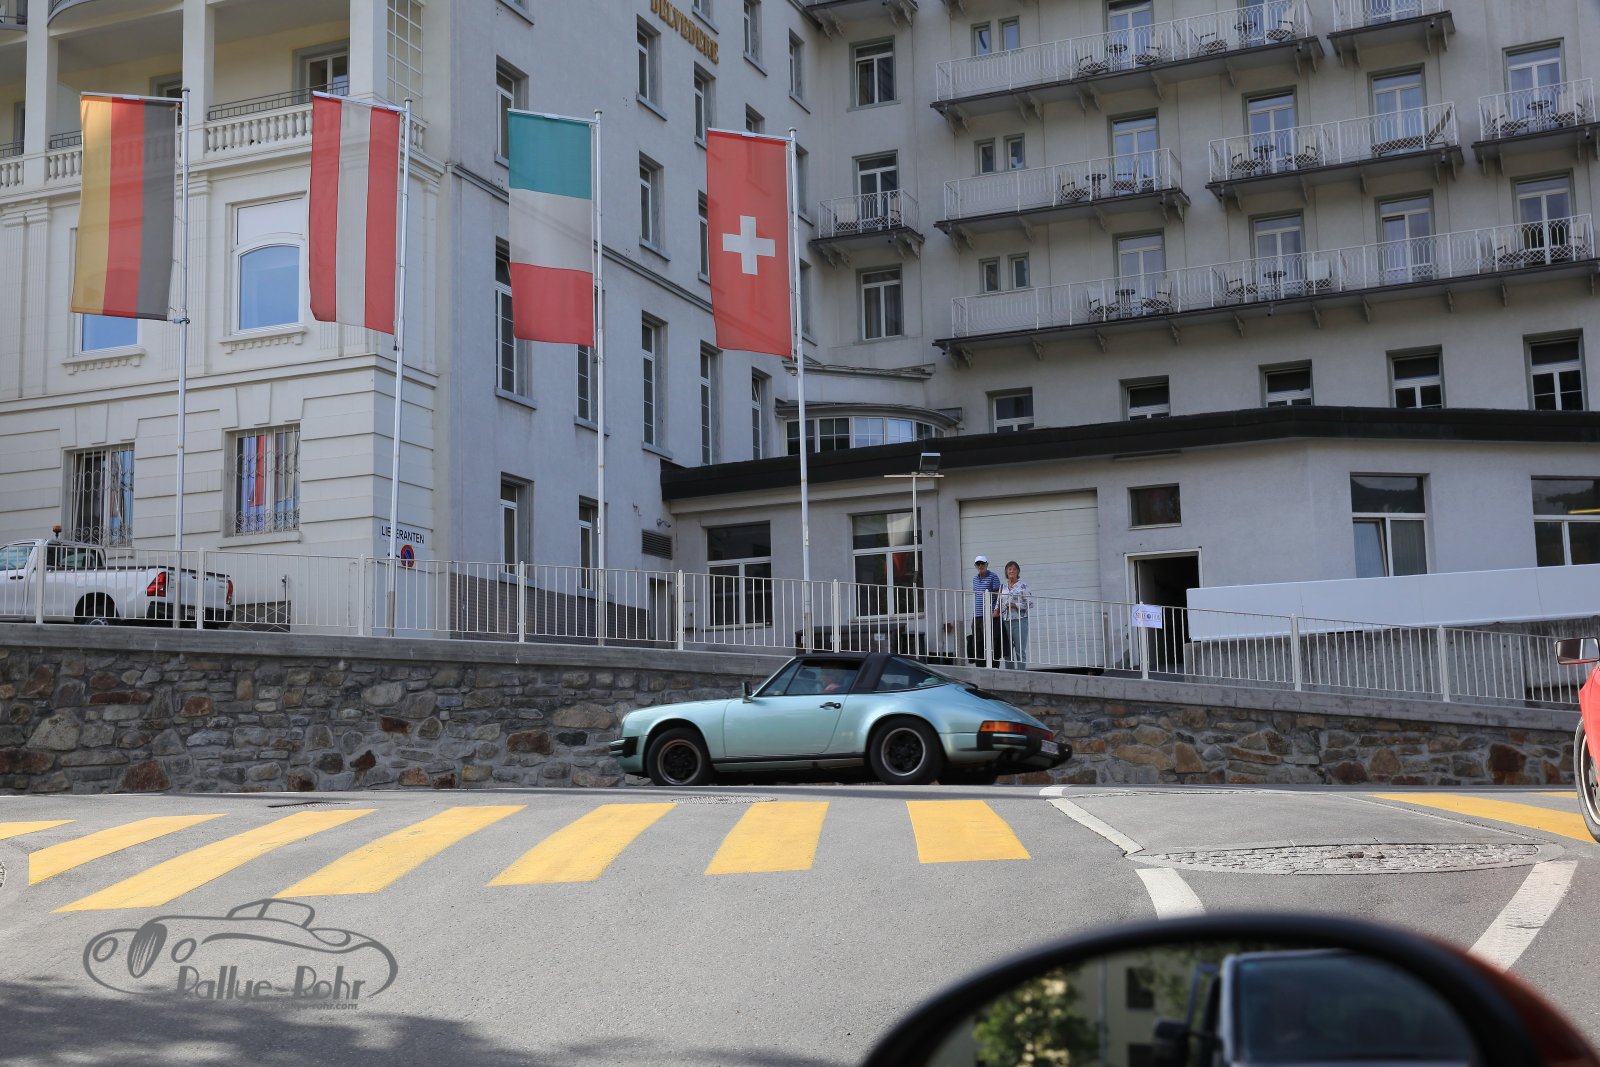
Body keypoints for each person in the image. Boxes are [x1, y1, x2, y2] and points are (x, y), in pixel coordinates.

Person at [998, 561, 1032, 670]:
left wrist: (1015, 605)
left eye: (1014, 569)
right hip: (1005, 621)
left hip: (1019, 621)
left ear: (1018, 572)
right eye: (1009, 569)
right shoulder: (1002, 587)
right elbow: (998, 604)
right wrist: (994, 613)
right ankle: (1010, 674)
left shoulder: (1023, 586)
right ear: (1006, 572)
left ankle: (1021, 674)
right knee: (1007, 651)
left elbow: (1030, 604)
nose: (1011, 571)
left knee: (1019, 650)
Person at [969, 555, 1002, 666]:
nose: (980, 566)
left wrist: (996, 611)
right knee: (977, 642)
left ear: (987, 564)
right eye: (978, 564)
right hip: (977, 615)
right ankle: (980, 667)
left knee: (991, 642)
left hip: (989, 615)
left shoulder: (993, 576)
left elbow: (998, 595)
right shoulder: (975, 579)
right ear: (975, 566)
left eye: (982, 563)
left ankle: (993, 666)